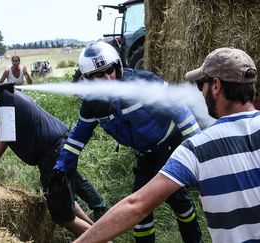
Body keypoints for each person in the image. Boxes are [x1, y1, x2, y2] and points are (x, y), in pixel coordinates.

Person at [74, 47, 260, 242]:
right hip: (149, 155)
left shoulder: (198, 148)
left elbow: (136, 206)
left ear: (215, 86)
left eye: (199, 85)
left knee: (179, 201)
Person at [53, 41, 202, 242]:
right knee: (140, 209)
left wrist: (201, 151)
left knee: (175, 197)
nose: (107, 79)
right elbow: (77, 138)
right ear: (88, 79)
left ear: (118, 66)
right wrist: (61, 166)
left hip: (170, 144)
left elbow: (181, 112)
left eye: (110, 71)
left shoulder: (143, 82)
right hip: (145, 154)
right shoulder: (93, 105)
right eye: (98, 75)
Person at [0, 64, 104, 235]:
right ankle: (101, 233)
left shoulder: (0, 101)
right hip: (59, 148)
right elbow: (3, 141)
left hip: (53, 153)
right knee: (66, 201)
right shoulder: (5, 95)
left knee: (63, 217)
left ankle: (102, 239)